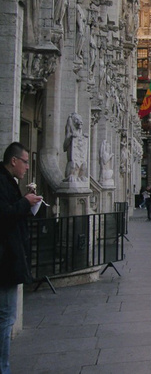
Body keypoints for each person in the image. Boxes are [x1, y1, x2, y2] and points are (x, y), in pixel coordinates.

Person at [1, 144, 44, 371]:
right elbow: (4, 214)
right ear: (14, 161)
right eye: (25, 162)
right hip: (6, 260)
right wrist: (24, 202)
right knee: (6, 317)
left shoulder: (10, 182)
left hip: (10, 257)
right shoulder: (3, 181)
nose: (28, 166)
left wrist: (28, 205)